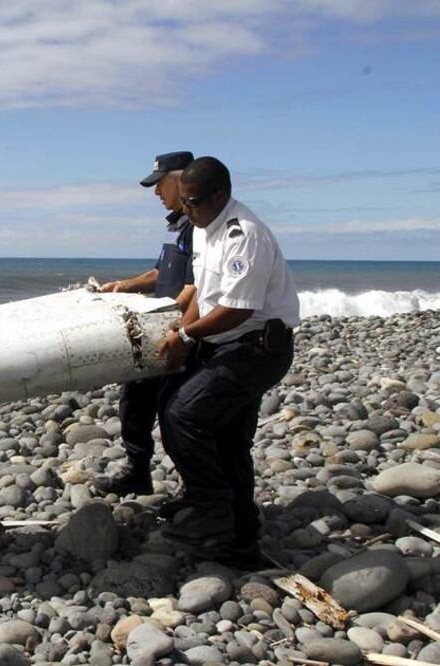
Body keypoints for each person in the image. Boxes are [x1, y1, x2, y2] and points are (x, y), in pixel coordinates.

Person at [155, 157, 299, 564]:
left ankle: (212, 510)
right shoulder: (204, 227)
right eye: (183, 202)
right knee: (224, 436)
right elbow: (204, 290)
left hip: (257, 349)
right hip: (225, 344)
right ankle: (240, 538)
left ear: (220, 197)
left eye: (194, 202)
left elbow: (237, 308)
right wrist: (183, 333)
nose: (186, 210)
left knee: (186, 415)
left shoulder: (244, 236)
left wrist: (184, 335)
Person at [95, 150, 196, 496]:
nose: (156, 193)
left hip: (181, 333)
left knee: (176, 414)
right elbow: (159, 274)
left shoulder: (198, 227)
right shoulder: (175, 226)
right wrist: (122, 286)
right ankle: (138, 470)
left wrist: (178, 330)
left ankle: (193, 488)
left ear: (182, 181)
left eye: (159, 185)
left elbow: (196, 288)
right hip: (158, 329)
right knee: (134, 401)